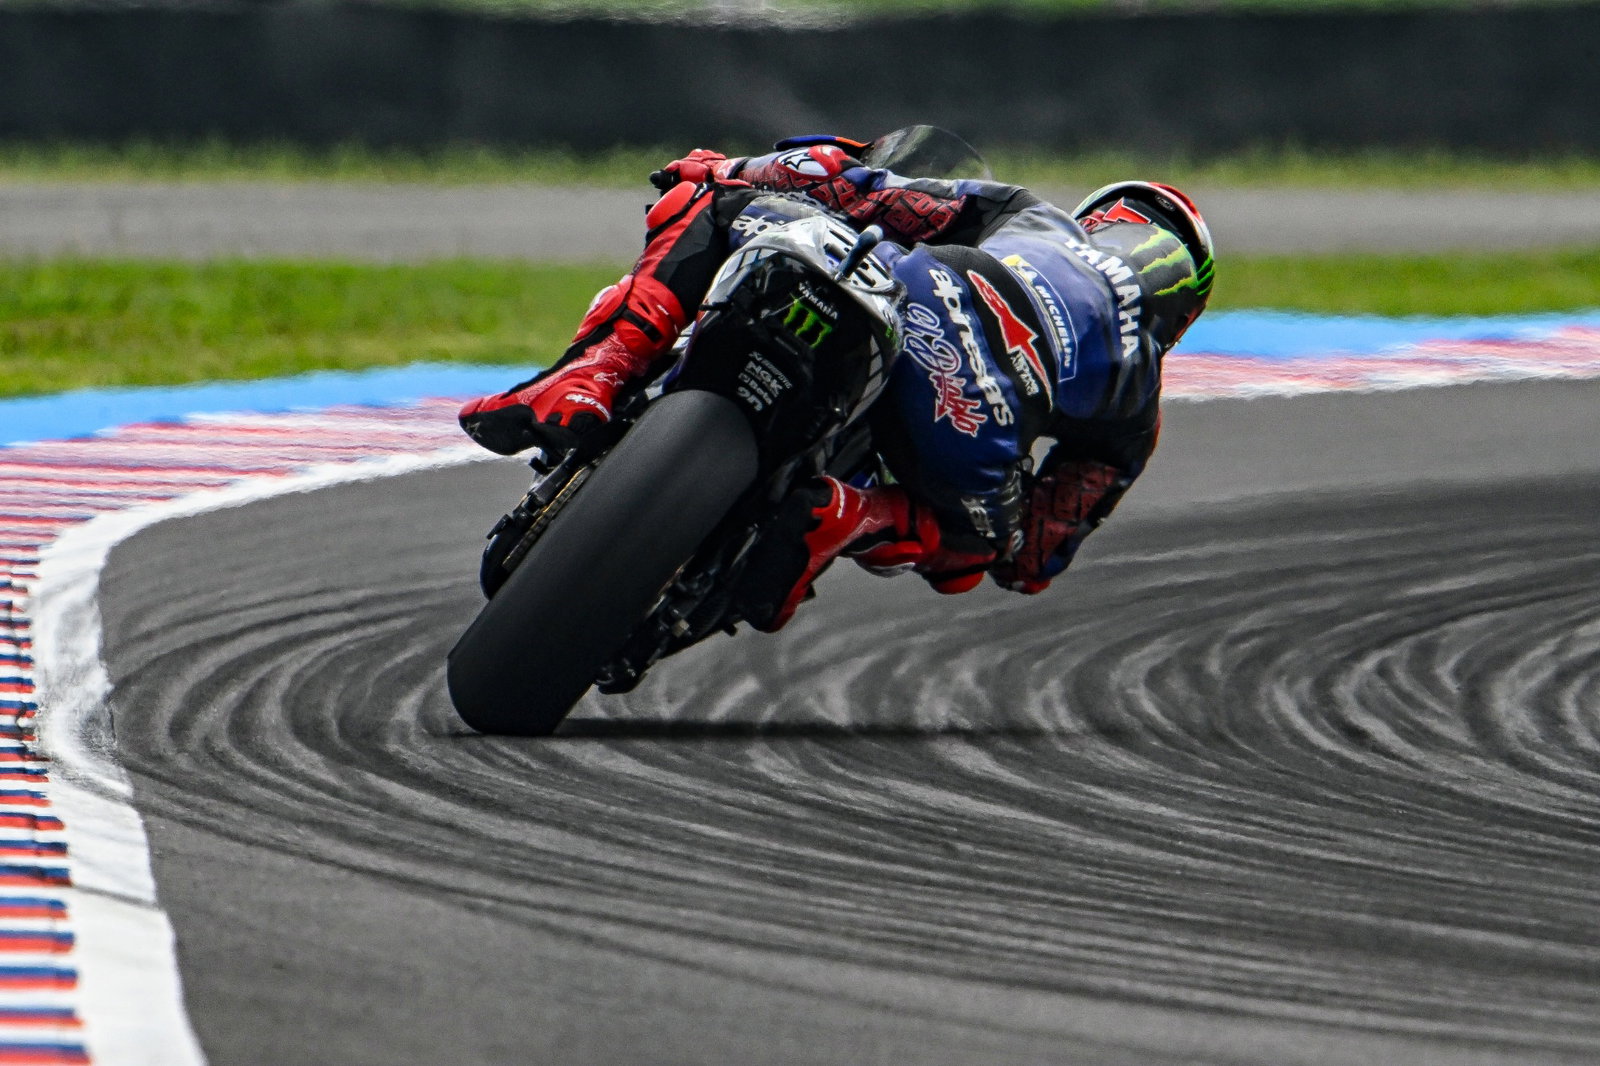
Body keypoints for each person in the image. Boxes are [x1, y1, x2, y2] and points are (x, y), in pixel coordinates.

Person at [459, 134, 1214, 631]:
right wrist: (995, 508)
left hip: (916, 296)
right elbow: (1034, 558)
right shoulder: (1136, 405)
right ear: (1181, 309)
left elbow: (864, 189)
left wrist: (729, 172)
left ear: (1102, 219)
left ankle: (591, 374)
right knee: (976, 547)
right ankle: (850, 515)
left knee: (706, 204)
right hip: (979, 427)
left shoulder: (1033, 217)